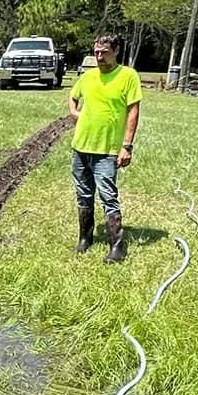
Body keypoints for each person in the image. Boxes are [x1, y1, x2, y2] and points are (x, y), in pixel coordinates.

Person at [67, 33, 141, 262]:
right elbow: (73, 96)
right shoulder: (88, 77)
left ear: (116, 51)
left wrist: (126, 146)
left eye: (104, 52)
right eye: (96, 52)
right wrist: (74, 112)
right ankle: (85, 238)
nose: (99, 56)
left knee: (108, 196)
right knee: (83, 194)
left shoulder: (127, 76)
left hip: (107, 150)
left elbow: (133, 111)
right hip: (81, 146)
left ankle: (117, 246)